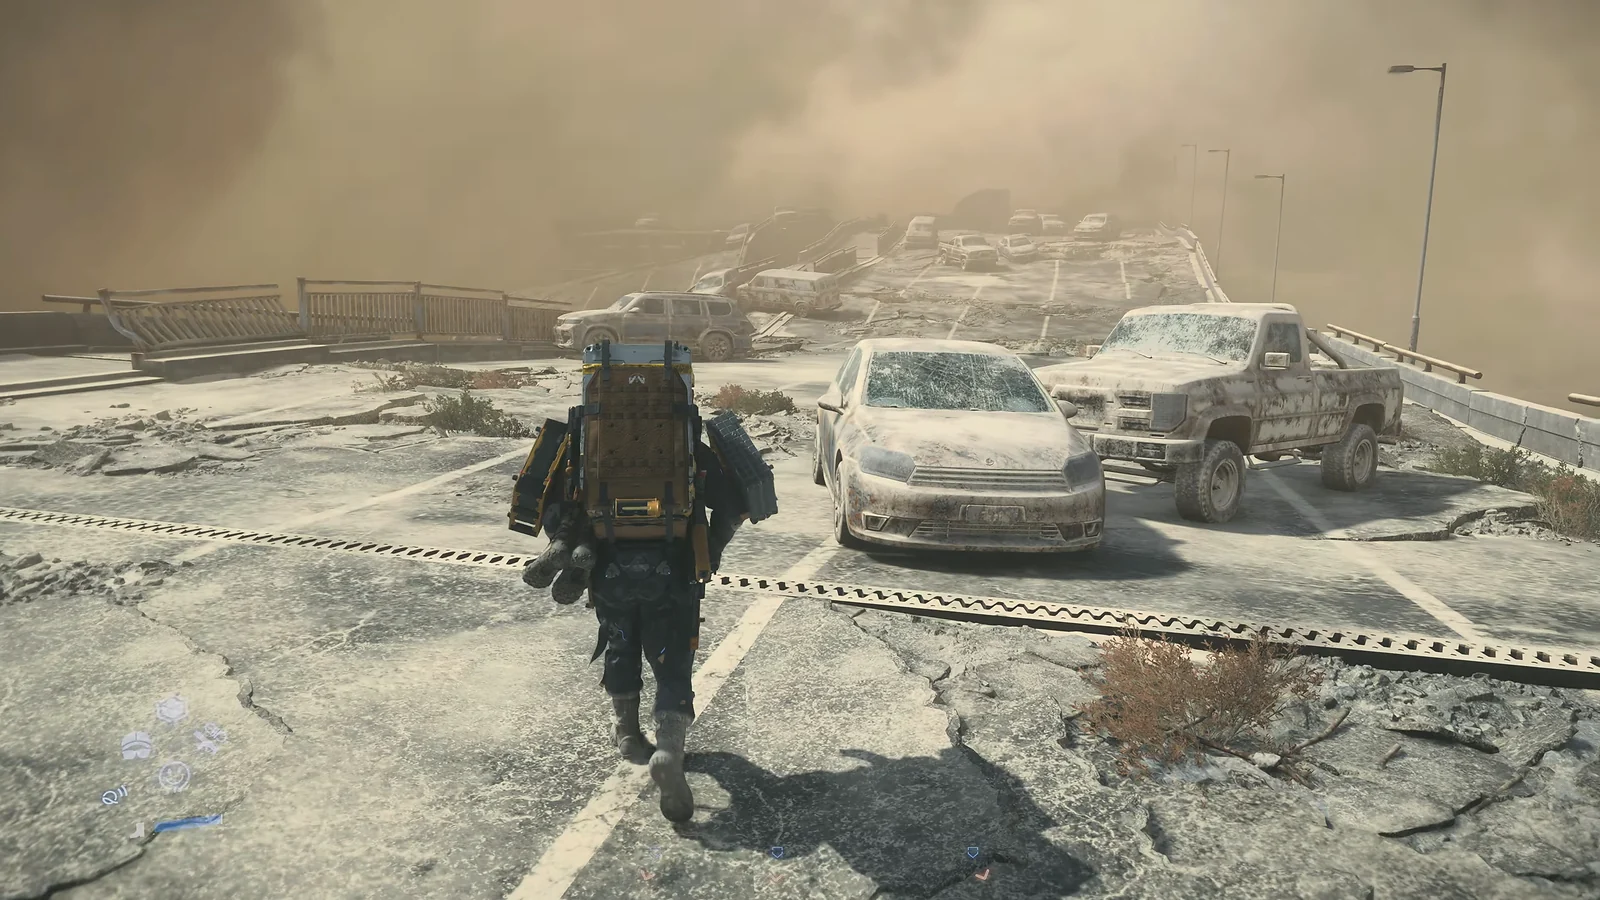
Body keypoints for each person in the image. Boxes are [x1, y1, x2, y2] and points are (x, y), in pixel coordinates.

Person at [522, 426, 753, 823]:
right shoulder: (686, 443)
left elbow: (538, 499)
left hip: (607, 568)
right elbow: (733, 508)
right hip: (672, 571)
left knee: (619, 640)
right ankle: (667, 751)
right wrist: (709, 554)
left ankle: (628, 734)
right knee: (672, 661)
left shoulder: (584, 437)